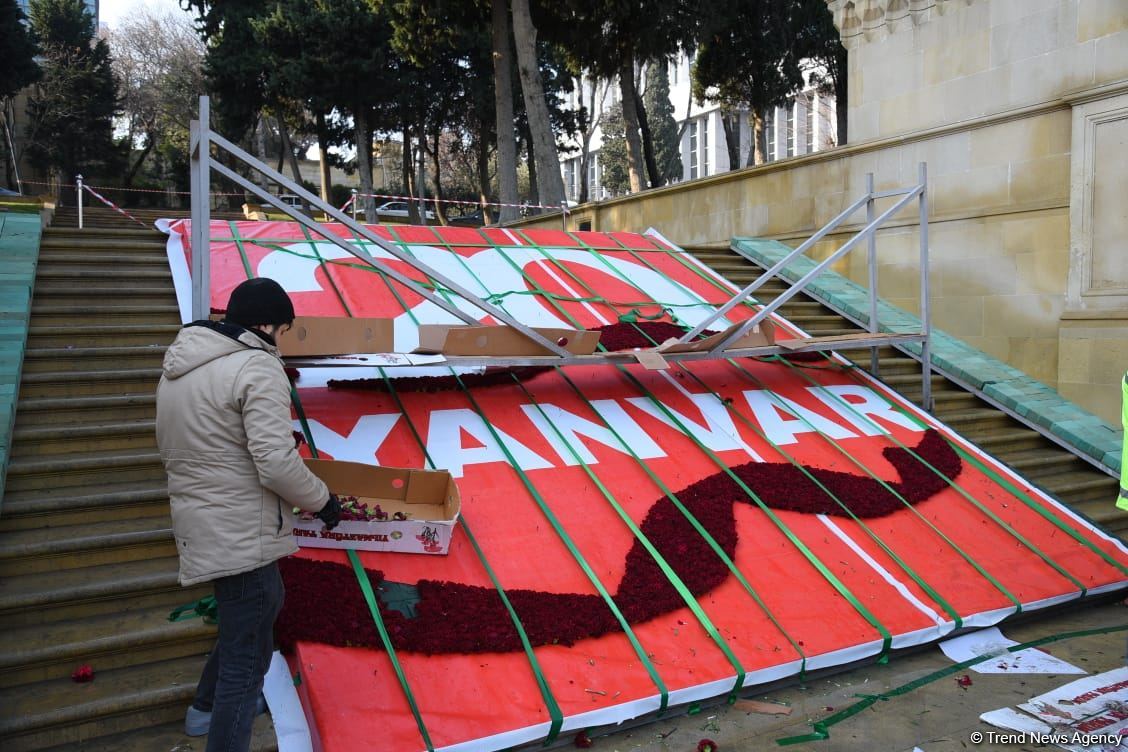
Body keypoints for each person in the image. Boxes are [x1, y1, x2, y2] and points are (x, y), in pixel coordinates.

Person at [156, 277, 342, 751]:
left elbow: (210, 439)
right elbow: (275, 464)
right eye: (282, 330)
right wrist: (322, 500)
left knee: (257, 613)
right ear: (266, 325)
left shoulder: (186, 364)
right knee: (248, 654)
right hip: (242, 527)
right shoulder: (257, 366)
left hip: (208, 518)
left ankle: (202, 708)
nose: (281, 341)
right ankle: (217, 719)